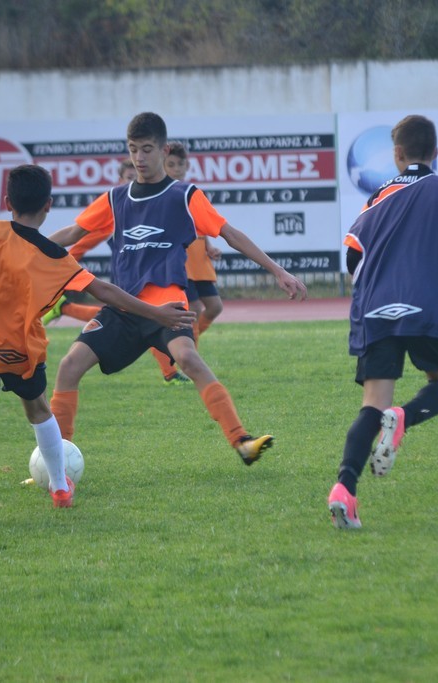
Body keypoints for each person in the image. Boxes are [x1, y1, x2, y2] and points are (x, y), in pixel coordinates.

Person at [0, 164, 195, 508]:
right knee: (40, 412)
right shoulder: (55, 257)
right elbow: (106, 291)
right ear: (48, 205)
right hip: (20, 353)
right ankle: (59, 487)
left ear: (7, 201)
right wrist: (157, 313)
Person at [48, 111, 308, 466]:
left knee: (188, 358)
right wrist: (24, 244)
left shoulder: (184, 195)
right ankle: (56, 464)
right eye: (133, 149)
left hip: (167, 306)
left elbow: (230, 234)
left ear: (163, 150)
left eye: (147, 149)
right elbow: (72, 233)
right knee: (68, 366)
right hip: (124, 307)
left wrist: (277, 271)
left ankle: (242, 441)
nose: (139, 158)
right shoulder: (115, 198)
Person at [327, 114, 438, 529]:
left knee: (371, 405)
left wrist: (377, 289)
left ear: (397, 154)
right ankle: (403, 418)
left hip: (375, 313)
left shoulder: (377, 197)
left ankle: (344, 490)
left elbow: (352, 256)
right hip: (424, 310)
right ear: (435, 151)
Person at [42, 158, 193, 385]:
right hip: (125, 283)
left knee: (156, 319)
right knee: (143, 320)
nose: (136, 181)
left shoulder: (153, 206)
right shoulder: (115, 211)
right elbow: (79, 241)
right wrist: (61, 272)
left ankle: (170, 372)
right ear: (120, 180)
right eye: (130, 178)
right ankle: (64, 307)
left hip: (146, 282)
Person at [165, 142, 224, 343]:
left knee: (215, 307)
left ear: (187, 166)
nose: (176, 169)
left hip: (199, 260)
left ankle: (189, 340)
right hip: (182, 261)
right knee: (195, 309)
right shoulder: (163, 194)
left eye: (180, 164)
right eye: (171, 165)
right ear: (163, 165)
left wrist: (209, 246)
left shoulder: (191, 192)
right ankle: (190, 352)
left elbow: (200, 225)